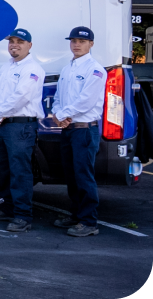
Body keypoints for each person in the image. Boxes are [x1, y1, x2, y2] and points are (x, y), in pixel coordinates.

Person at [0, 28, 44, 232]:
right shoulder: (6, 67)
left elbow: (21, 96)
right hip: (5, 125)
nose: (14, 45)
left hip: (21, 125)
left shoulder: (33, 69)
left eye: (20, 41)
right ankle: (9, 209)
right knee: (5, 170)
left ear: (29, 45)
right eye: (11, 41)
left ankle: (23, 216)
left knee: (20, 172)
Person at [50, 26, 106, 237]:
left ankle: (89, 221)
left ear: (91, 44)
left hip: (84, 130)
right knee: (71, 175)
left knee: (83, 175)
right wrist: (57, 113)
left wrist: (63, 114)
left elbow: (86, 101)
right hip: (69, 130)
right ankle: (75, 215)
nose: (76, 44)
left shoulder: (96, 69)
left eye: (81, 41)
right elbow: (58, 97)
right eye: (73, 40)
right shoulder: (67, 69)